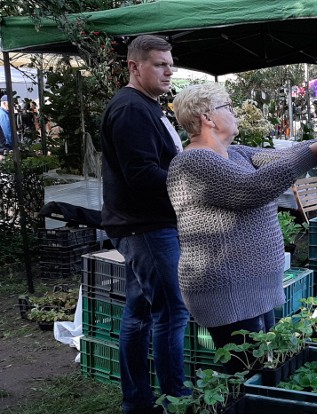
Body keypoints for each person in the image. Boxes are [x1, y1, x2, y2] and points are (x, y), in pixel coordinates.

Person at [167, 83, 317, 373]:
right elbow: (251, 190)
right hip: (228, 290)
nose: (235, 113)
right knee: (244, 374)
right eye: (228, 107)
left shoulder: (234, 153)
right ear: (207, 117)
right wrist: (314, 152)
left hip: (253, 286)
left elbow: (284, 157)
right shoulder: (192, 162)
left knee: (261, 367)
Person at [100, 35, 189, 414]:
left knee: (140, 315)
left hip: (143, 226)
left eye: (170, 62)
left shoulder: (149, 105)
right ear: (135, 67)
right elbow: (141, 174)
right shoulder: (131, 109)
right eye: (159, 64)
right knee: (172, 312)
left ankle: (137, 402)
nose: (168, 70)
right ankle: (176, 401)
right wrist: (191, 179)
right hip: (147, 228)